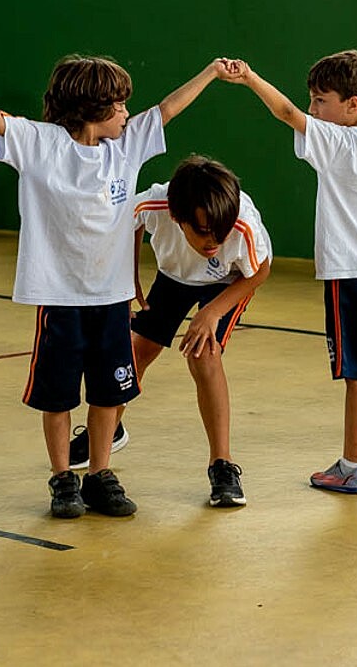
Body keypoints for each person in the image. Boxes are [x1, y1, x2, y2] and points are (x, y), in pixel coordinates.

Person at [0, 55, 230, 518]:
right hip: (60, 299)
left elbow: (169, 108)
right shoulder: (42, 144)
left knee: (111, 392)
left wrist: (211, 73)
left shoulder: (125, 147)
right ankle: (61, 478)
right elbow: (0, 121)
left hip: (110, 301)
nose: (128, 113)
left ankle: (99, 475)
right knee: (59, 394)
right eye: (119, 105)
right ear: (92, 108)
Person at [226, 51, 357, 494]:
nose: (312, 108)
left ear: (351, 104)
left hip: (352, 277)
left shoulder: (335, 141)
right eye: (312, 100)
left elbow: (285, 112)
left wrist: (251, 77)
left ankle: (350, 468)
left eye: (321, 100)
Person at [111, 155, 271, 507]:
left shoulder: (241, 223)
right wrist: (128, 280)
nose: (213, 240)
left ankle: (222, 466)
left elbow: (259, 271)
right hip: (175, 276)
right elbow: (128, 222)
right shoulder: (156, 201)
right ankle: (109, 430)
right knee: (139, 350)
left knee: (204, 353)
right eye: (201, 231)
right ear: (175, 215)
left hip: (229, 280)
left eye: (220, 231)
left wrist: (212, 313)